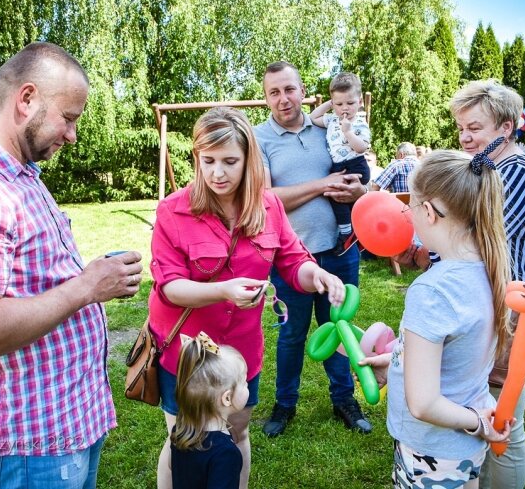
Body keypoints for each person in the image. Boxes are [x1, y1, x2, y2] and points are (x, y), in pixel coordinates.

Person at [0, 42, 144, 488]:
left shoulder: (16, 173)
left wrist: (90, 280)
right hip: (25, 444)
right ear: (27, 99)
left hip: (62, 423)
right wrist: (87, 288)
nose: (72, 135)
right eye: (69, 118)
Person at [149, 106, 346, 489]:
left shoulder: (268, 204)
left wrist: (317, 274)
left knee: (237, 433)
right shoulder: (173, 210)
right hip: (186, 355)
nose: (217, 173)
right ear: (196, 158)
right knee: (182, 441)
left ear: (248, 159)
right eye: (207, 161)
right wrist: (222, 291)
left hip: (240, 354)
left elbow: (293, 261)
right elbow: (169, 287)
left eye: (229, 161)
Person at [393, 80, 525, 489]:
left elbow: (477, 242)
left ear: (507, 127)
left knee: (504, 429)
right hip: (486, 308)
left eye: (474, 127)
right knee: (483, 412)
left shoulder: (510, 174)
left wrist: (429, 250)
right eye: (461, 127)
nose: (466, 137)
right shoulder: (490, 170)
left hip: (498, 316)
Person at [362, 150, 514, 487]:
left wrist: (479, 424)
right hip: (464, 450)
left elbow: (423, 403)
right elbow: (457, 355)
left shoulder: (431, 290)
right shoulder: (491, 271)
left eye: (410, 208)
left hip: (431, 451)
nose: (409, 217)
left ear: (428, 212)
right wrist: (398, 359)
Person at [254, 61, 371, 439]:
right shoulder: (259, 139)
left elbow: (357, 172)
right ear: (266, 97)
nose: (283, 99)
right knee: (291, 335)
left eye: (289, 89)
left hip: (340, 250)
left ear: (303, 91)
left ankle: (344, 399)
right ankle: (285, 404)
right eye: (274, 92)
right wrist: (323, 184)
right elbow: (265, 198)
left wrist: (359, 191)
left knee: (339, 327)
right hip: (290, 261)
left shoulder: (330, 125)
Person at [170, 332, 249, 489]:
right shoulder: (226, 454)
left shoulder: (180, 432)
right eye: (244, 382)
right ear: (227, 398)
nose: (247, 385)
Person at [310, 72, 371, 253]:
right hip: (340, 167)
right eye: (339, 104)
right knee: (339, 199)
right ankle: (354, 234)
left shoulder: (359, 122)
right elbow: (313, 117)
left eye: (350, 103)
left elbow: (361, 148)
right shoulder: (332, 120)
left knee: (338, 198)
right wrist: (330, 104)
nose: (345, 108)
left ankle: (347, 233)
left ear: (359, 102)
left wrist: (348, 132)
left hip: (355, 164)